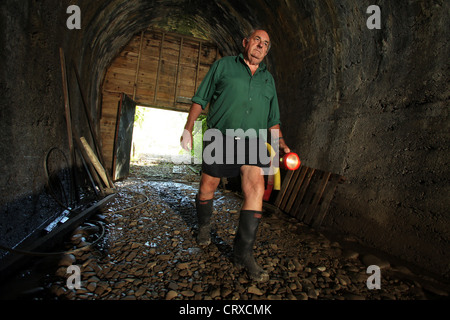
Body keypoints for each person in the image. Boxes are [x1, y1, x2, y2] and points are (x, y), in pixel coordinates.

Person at [180, 29, 291, 282]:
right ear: (245, 42)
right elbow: (200, 99)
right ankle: (205, 227)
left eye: (265, 44)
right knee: (208, 186)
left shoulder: (268, 80)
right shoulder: (223, 66)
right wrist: (188, 129)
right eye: (256, 40)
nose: (260, 46)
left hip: (253, 141)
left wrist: (281, 144)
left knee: (255, 187)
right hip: (220, 136)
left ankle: (243, 253)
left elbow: (273, 121)